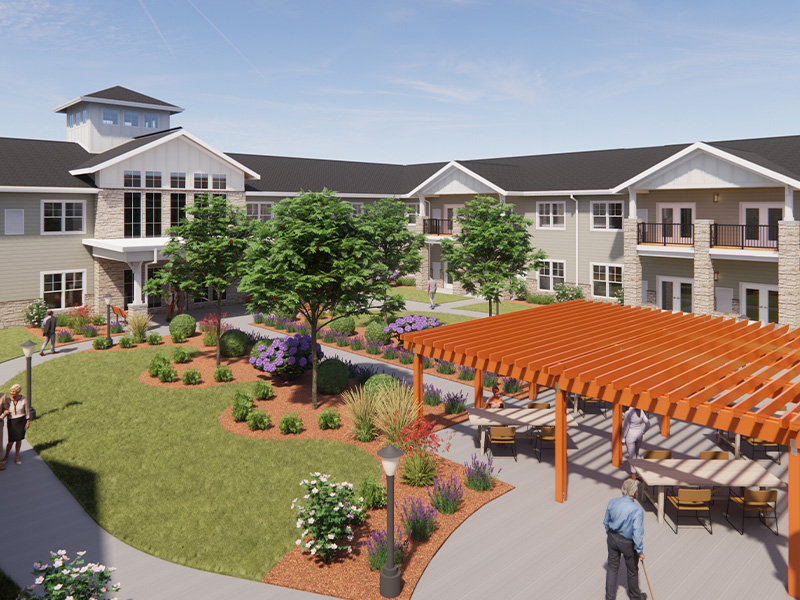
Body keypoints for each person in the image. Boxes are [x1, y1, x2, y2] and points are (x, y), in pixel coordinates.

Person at [604, 479, 646, 600]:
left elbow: (606, 522)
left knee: (612, 568)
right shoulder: (637, 510)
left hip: (612, 537)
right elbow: (637, 533)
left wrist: (610, 534)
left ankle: (609, 598)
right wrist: (640, 551)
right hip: (628, 543)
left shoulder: (612, 502)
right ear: (634, 492)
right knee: (632, 570)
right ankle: (635, 597)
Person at [1, 384, 31, 466]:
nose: (11, 393)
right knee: (10, 441)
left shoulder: (24, 399)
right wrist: (4, 412)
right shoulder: (7, 400)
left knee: (19, 439)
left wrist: (28, 421)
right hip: (11, 421)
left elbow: (27, 410)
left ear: (18, 392)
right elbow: (4, 408)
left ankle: (16, 456)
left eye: (13, 391)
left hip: (21, 421)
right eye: (11, 391)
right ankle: (6, 456)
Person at [623, 407, 650, 478]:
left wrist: (623, 438)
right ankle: (641, 471)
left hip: (630, 435)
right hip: (639, 434)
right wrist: (643, 431)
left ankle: (633, 475)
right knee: (637, 453)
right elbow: (648, 424)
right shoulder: (641, 411)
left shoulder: (628, 413)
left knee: (632, 456)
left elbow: (626, 427)